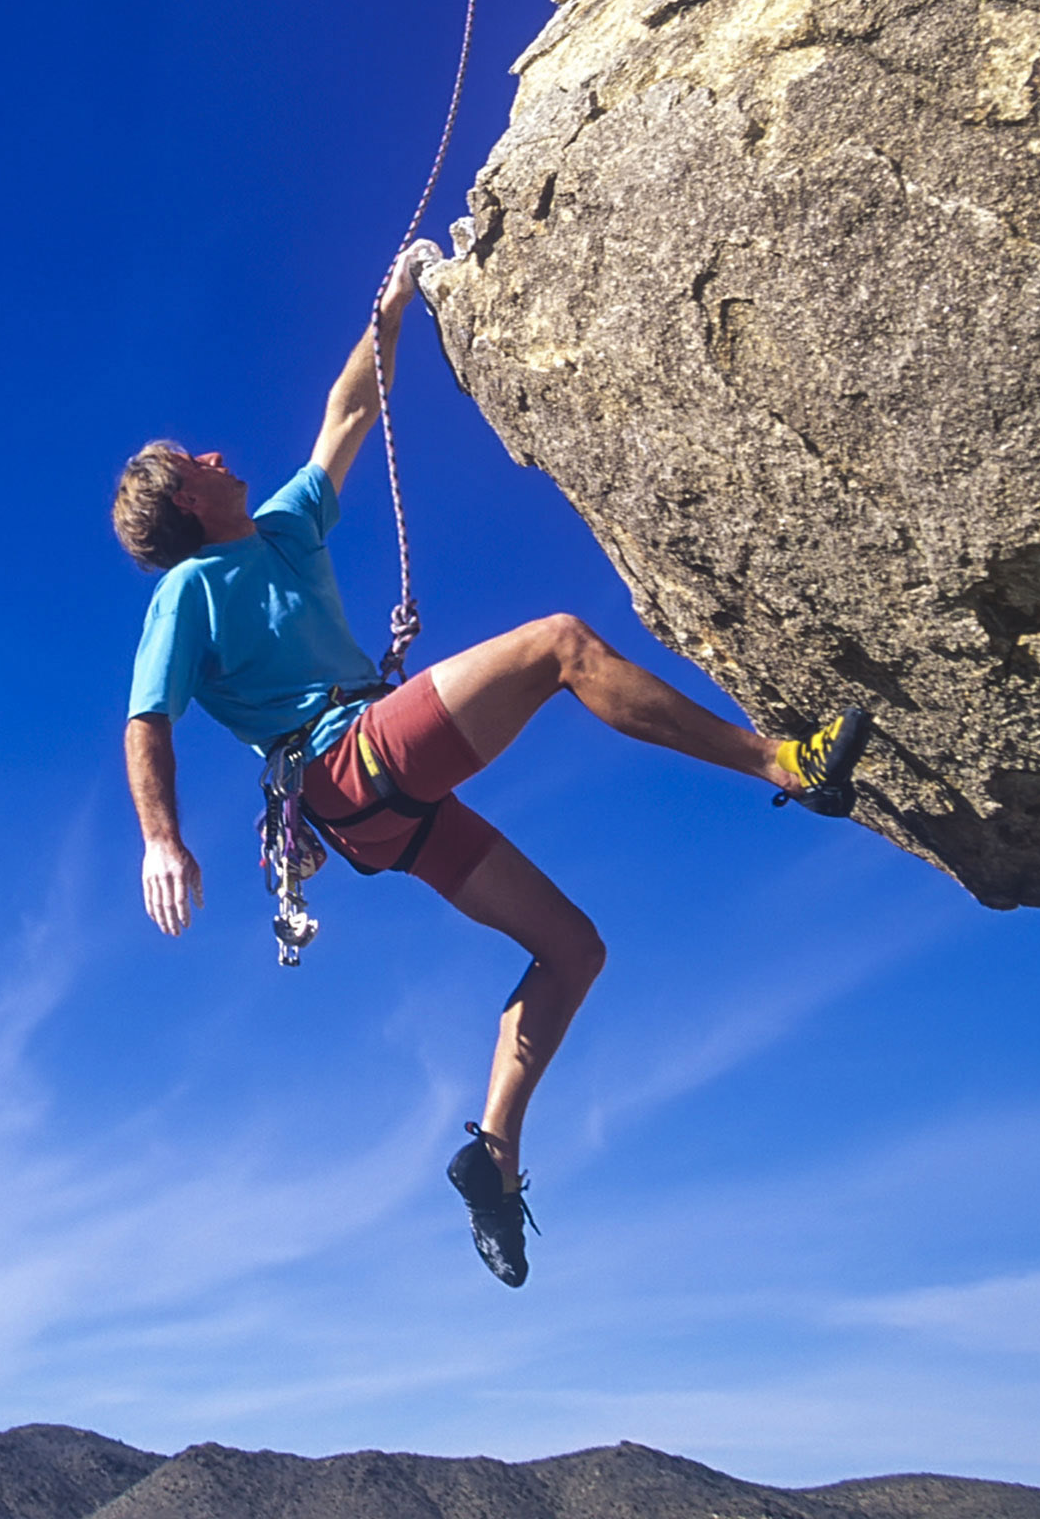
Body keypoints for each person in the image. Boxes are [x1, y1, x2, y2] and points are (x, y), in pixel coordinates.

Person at [110, 242, 870, 1286]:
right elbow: (145, 719)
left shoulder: (280, 530)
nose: (214, 450)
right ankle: (786, 762)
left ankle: (497, 1158)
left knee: (574, 948)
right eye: (193, 458)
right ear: (186, 498)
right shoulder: (188, 592)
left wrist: (394, 304)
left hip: (378, 809)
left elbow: (347, 413)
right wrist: (161, 838)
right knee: (560, 643)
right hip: (345, 767)